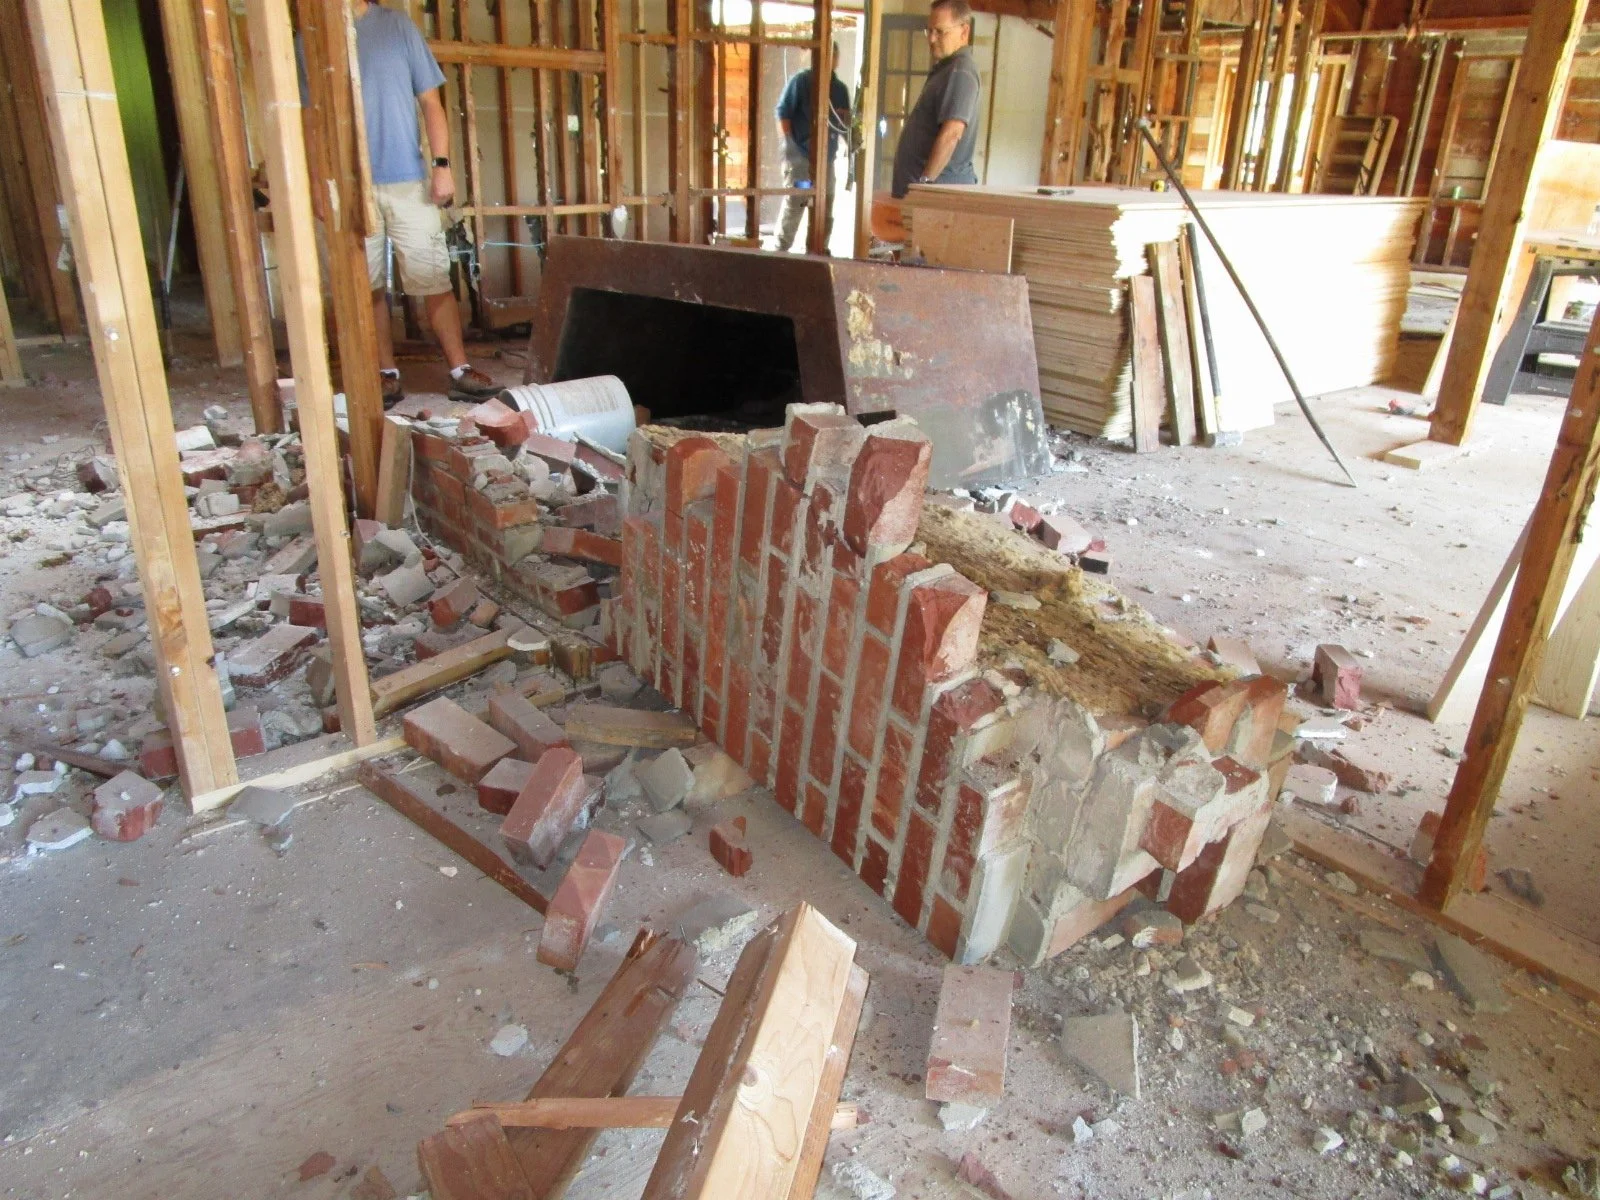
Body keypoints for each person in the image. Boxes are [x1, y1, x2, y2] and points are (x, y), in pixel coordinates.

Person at [349, 1, 498, 405]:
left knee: (433, 277)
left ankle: (459, 370)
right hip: (350, 187)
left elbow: (431, 101)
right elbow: (310, 118)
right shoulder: (311, 40)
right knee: (367, 285)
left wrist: (442, 166)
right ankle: (386, 373)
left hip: (408, 181)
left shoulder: (396, 26)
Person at [890, 0, 981, 200]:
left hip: (938, 198)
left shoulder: (961, 71)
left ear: (964, 31)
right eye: (929, 31)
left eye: (940, 32)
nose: (931, 39)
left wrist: (924, 186)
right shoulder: (947, 69)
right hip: (928, 195)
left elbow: (951, 134)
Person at [774, 55, 852, 253]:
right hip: (802, 159)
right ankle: (780, 249)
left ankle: (818, 250)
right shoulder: (801, 81)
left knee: (825, 203)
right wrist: (789, 146)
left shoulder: (839, 90)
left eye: (833, 56)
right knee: (798, 199)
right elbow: (783, 113)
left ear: (836, 60)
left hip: (826, 160)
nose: (828, 60)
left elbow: (845, 124)